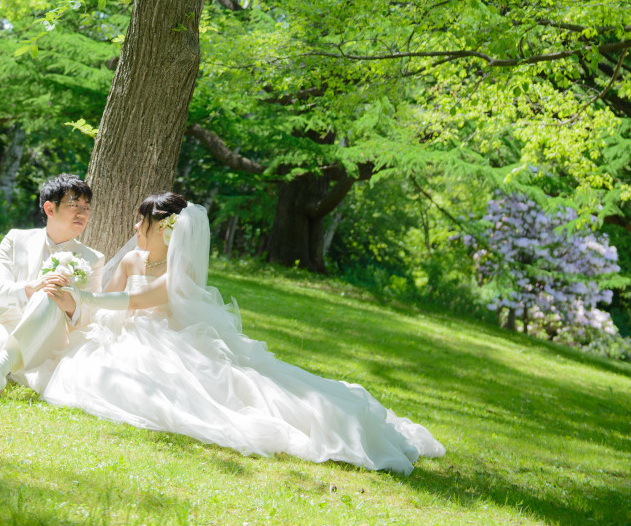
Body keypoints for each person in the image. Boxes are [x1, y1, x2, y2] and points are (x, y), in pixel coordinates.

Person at [41, 193, 446, 474]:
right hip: (126, 334)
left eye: (142, 221)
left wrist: (81, 296)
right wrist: (77, 302)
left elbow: (133, 302)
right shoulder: (132, 258)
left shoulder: (178, 277)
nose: (135, 227)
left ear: (164, 229)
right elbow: (107, 300)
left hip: (168, 340)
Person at [0, 173, 104, 399]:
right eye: (74, 205)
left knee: (50, 293)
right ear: (50, 209)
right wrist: (31, 287)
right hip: (8, 322)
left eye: (86, 207)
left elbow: (91, 316)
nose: (82, 213)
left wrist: (68, 304)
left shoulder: (92, 260)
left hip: (48, 339)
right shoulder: (15, 240)